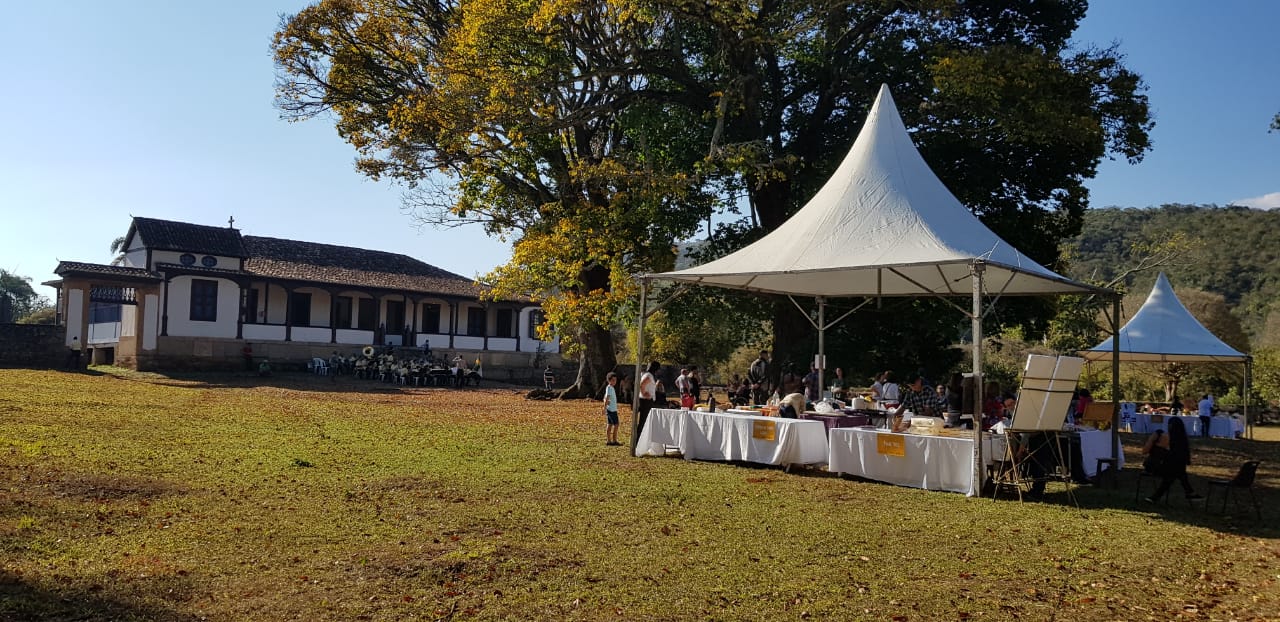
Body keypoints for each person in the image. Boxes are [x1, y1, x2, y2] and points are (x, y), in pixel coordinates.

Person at [1143, 417, 1203, 503]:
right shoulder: (1164, 436)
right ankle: (1189, 492)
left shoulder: (1177, 441)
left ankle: (1155, 497)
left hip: (1166, 467)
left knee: (1174, 474)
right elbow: (1147, 451)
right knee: (1178, 472)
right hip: (1156, 465)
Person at [636, 361, 661, 437]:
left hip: (647, 401)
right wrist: (644, 393)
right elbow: (642, 384)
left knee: (645, 421)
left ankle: (641, 438)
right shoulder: (649, 375)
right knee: (643, 421)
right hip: (646, 401)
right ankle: (638, 440)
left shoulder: (647, 374)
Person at [603, 372, 620, 446]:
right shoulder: (609, 388)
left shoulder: (611, 388)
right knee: (616, 424)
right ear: (609, 380)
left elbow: (606, 398)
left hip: (612, 409)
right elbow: (607, 398)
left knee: (610, 424)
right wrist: (604, 408)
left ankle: (609, 441)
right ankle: (614, 440)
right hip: (611, 410)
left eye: (615, 380)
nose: (614, 382)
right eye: (613, 380)